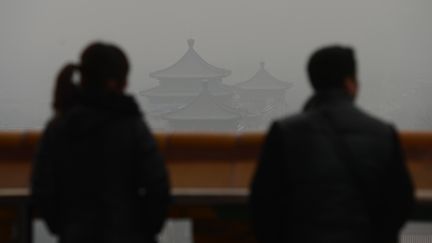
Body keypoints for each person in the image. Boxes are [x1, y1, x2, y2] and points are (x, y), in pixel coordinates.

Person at [249, 45, 414, 243]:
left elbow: (263, 203)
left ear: (314, 81)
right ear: (350, 83)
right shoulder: (383, 133)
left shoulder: (285, 132)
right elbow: (401, 202)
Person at [31, 42, 171, 243]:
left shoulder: (60, 127)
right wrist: (145, 229)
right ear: (114, 82)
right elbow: (157, 186)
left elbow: (42, 187)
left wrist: (64, 227)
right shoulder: (131, 126)